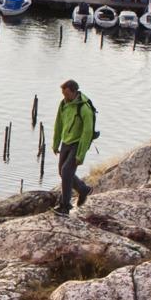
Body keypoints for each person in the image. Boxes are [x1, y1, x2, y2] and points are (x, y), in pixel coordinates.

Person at [51, 79, 97, 215]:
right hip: (66, 141)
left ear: (74, 91)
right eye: (63, 94)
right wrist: (55, 143)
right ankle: (83, 189)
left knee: (66, 172)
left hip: (78, 143)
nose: (64, 97)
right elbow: (58, 123)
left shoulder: (84, 108)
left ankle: (65, 207)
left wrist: (81, 154)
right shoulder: (63, 104)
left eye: (66, 94)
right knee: (63, 172)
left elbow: (87, 132)